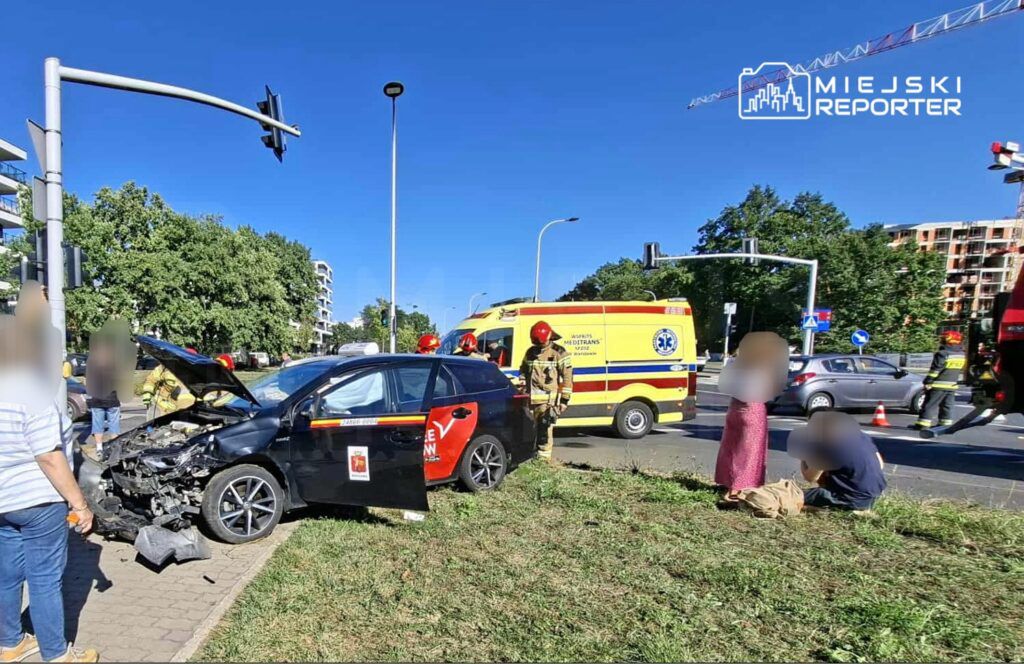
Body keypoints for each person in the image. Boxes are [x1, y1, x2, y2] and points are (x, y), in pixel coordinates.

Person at [0, 314, 99, 662]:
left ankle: (10, 644)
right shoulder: (31, 392)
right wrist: (80, 504)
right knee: (45, 579)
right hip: (40, 501)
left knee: (7, 575)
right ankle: (57, 654)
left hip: (4, 502)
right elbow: (49, 457)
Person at [714, 332, 788, 503]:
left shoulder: (733, 363)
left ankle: (728, 481)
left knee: (731, 447)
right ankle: (739, 488)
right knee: (749, 451)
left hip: (734, 409)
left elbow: (723, 387)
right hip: (753, 410)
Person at [791, 411, 887, 511]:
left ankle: (833, 508)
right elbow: (880, 464)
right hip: (874, 496)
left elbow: (811, 477)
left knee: (794, 495)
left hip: (850, 499)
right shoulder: (861, 436)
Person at [520, 321, 573, 462]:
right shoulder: (531, 352)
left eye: (541, 344)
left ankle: (543, 461)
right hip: (530, 400)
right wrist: (522, 380)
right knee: (530, 430)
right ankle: (530, 456)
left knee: (544, 429)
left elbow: (568, 377)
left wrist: (564, 400)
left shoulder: (559, 353)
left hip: (548, 401)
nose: (539, 347)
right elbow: (523, 369)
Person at [913, 330, 966, 430]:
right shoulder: (961, 354)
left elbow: (935, 369)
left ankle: (923, 424)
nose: (941, 340)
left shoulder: (943, 353)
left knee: (930, 405)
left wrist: (928, 381)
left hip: (938, 384)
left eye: (943, 338)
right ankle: (945, 424)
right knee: (947, 405)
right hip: (952, 385)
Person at [140, 348, 198, 419]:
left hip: (184, 410)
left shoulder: (198, 372)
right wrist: (147, 393)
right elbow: (151, 380)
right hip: (161, 407)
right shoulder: (166, 367)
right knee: (153, 428)